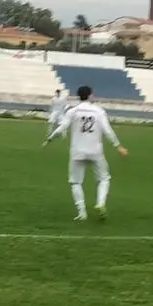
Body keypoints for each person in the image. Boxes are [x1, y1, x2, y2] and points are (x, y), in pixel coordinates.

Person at [59, 84, 127, 219]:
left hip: (77, 151)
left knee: (76, 182)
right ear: (90, 95)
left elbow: (62, 128)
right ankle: (100, 203)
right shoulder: (99, 111)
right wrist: (118, 146)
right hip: (95, 152)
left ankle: (82, 212)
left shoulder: (73, 111)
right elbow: (107, 131)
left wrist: (49, 139)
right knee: (104, 178)